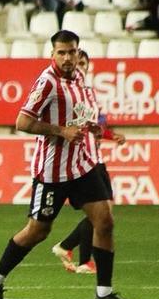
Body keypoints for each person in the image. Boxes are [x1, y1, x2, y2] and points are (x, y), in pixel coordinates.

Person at [0, 29, 137, 299]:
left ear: (79, 53)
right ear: (52, 54)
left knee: (105, 222)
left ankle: (103, 293)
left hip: (83, 165)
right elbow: (22, 122)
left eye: (72, 52)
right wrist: (60, 131)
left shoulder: (79, 78)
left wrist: (94, 129)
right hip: (52, 172)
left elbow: (81, 116)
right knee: (38, 231)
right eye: (62, 53)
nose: (68, 58)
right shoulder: (47, 83)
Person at [48, 50, 127, 276]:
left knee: (102, 215)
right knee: (102, 214)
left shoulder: (87, 92)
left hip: (96, 158)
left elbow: (95, 126)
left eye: (83, 63)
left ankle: (72, 251)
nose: (79, 65)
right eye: (77, 62)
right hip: (88, 160)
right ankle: (78, 257)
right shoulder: (68, 93)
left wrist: (112, 136)